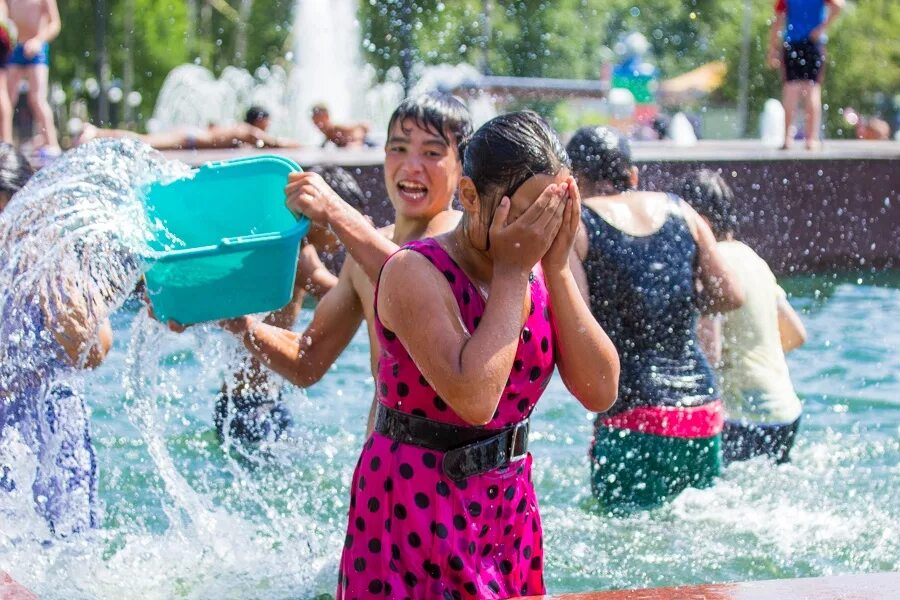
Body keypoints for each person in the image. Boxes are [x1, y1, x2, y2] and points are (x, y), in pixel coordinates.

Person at [332, 111, 618, 598]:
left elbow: (600, 391)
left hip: (507, 504)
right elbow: (475, 398)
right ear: (469, 197)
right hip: (415, 503)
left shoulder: (538, 268)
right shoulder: (413, 272)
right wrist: (512, 271)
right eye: (527, 213)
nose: (539, 229)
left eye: (552, 212)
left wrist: (559, 270)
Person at [164, 93, 473, 438]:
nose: (411, 165)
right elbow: (306, 361)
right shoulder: (361, 261)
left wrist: (336, 211)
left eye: (432, 153)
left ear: (462, 167)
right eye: (398, 148)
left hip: (457, 477)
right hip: (381, 467)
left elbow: (414, 280)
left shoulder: (470, 248)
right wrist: (232, 318)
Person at [567, 127, 744, 512]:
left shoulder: (578, 225)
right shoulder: (682, 210)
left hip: (632, 414)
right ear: (631, 175)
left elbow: (577, 327)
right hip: (702, 411)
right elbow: (731, 295)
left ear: (572, 180)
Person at [0, 142, 112, 537]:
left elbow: (96, 350)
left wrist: (54, 293)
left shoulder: (52, 256)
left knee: (66, 546)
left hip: (51, 423)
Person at [214, 166, 358, 446]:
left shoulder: (275, 249)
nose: (341, 234)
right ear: (316, 214)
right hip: (253, 402)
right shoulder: (301, 255)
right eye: (337, 222)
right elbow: (338, 290)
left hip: (239, 398)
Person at [677, 170, 807, 465]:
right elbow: (797, 333)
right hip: (785, 412)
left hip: (744, 418)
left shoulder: (712, 268)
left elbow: (711, 352)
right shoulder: (752, 258)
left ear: (703, 222)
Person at [767, 0, 844, 150]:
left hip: (792, 44)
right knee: (812, 89)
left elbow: (778, 21)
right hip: (814, 43)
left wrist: (772, 50)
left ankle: (787, 139)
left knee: (791, 89)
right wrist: (821, 28)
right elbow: (839, 6)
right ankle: (811, 139)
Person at [76, 105, 301, 150]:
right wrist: (300, 145)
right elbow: (274, 143)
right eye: (266, 121)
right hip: (190, 139)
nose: (268, 125)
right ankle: (95, 133)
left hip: (191, 136)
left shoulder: (240, 130)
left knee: (144, 139)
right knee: (143, 141)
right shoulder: (248, 132)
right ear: (259, 120)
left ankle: (97, 133)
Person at [4, 0, 61, 152]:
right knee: (6, 100)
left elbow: (55, 23)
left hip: (37, 48)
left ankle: (52, 146)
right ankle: (6, 144)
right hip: (15, 46)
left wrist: (37, 41)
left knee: (36, 99)